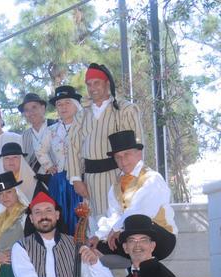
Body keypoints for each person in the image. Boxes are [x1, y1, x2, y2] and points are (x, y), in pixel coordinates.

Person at [68, 63, 144, 230]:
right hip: (90, 180)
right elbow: (73, 147)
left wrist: (133, 176)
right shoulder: (82, 115)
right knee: (95, 225)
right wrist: (76, 180)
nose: (92, 88)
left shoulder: (125, 109)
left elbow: (136, 146)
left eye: (97, 83)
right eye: (89, 84)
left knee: (120, 220)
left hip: (118, 174)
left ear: (107, 84)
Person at [91, 130, 177, 257]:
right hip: (128, 233)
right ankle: (132, 273)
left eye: (127, 154)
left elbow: (141, 212)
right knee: (96, 247)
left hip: (161, 238)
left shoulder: (152, 178)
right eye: (118, 157)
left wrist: (116, 229)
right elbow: (115, 215)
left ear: (139, 155)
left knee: (137, 224)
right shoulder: (116, 185)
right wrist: (99, 235)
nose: (123, 160)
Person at [37, 85, 84, 235]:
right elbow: (40, 150)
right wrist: (49, 165)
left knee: (82, 217)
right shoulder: (51, 130)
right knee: (61, 216)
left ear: (75, 104)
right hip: (59, 181)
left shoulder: (85, 126)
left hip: (82, 179)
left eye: (67, 103)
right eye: (59, 104)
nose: (63, 107)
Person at [17, 92, 54, 177]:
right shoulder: (24, 136)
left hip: (60, 178)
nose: (31, 112)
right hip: (36, 181)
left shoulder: (56, 126)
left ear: (43, 108)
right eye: (26, 110)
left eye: (34, 107)